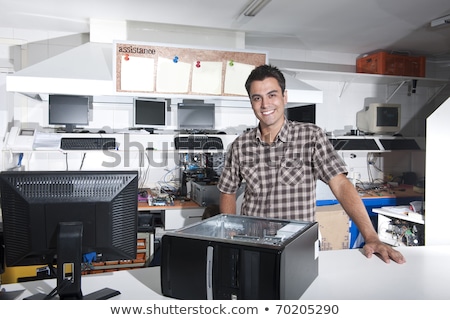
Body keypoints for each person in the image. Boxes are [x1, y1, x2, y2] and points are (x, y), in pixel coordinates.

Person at [217, 64, 405, 264]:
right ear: (251, 102)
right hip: (254, 245)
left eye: (272, 95)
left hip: (298, 245)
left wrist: (371, 237)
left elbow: (341, 185)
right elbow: (227, 191)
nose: (265, 104)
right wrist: (230, 235)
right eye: (257, 98)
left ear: (284, 97)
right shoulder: (240, 145)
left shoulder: (311, 136)